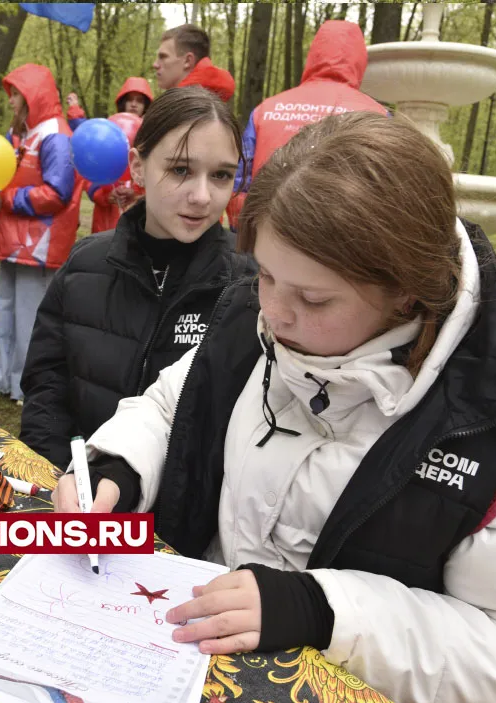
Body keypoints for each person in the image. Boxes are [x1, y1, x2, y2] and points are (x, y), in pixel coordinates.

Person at [52, 113, 496, 703]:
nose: (276, 314)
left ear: (408, 291)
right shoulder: (248, 317)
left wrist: (325, 612)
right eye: (263, 274)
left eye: (313, 299)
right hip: (179, 673)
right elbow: (171, 405)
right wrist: (121, 467)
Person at [19, 86, 256, 470]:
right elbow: (47, 388)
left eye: (221, 176)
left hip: (177, 526)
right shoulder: (84, 266)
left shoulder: (249, 286)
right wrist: (58, 479)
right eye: (181, 170)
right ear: (138, 166)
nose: (202, 195)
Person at [0, 64, 80, 406]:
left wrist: (6, 200)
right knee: (5, 311)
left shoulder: (56, 135)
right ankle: (3, 376)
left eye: (16, 94)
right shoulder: (21, 134)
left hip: (38, 244)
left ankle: (27, 383)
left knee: (31, 317)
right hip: (12, 240)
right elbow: (6, 179)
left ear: (32, 96)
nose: (11, 102)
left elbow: (57, 193)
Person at [227, 20, 387, 230]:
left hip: (264, 240)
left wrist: (245, 235)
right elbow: (385, 197)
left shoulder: (267, 108)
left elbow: (239, 183)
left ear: (314, 54)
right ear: (359, 61)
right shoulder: (377, 115)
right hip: (340, 248)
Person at [86, 76, 155, 234]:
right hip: (106, 219)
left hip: (141, 222)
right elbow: (90, 175)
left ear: (146, 105)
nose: (133, 104)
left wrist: (138, 194)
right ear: (122, 102)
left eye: (139, 100)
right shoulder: (107, 131)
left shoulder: (153, 134)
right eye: (130, 99)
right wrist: (103, 195)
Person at [154, 25, 235, 101]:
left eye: (163, 57)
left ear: (187, 61)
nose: (155, 65)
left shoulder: (192, 110)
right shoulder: (207, 103)